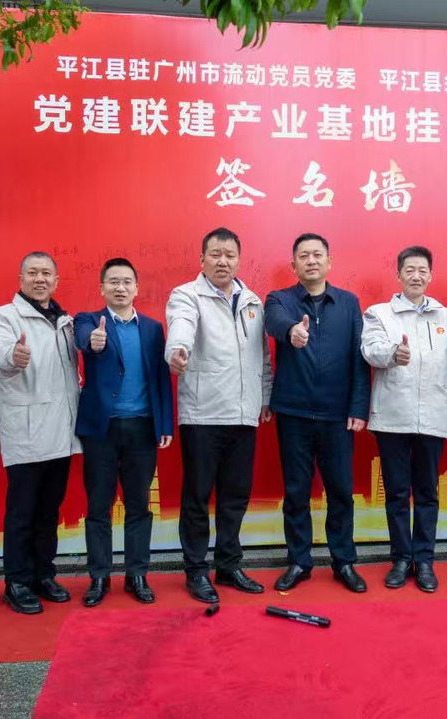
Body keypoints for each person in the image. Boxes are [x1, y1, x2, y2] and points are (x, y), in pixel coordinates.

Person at [165, 227, 272, 603]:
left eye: (229, 255)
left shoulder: (253, 301)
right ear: (202, 259)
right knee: (197, 496)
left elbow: (262, 355)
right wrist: (177, 351)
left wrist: (264, 397)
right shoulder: (186, 295)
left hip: (243, 414)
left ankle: (228, 564)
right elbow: (181, 326)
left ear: (239, 260)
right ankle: (196, 570)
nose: (222, 261)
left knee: (235, 495)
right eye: (215, 254)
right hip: (203, 414)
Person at [264, 233, 371, 594]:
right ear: (293, 265)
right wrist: (291, 331)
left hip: (337, 416)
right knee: (296, 492)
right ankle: (299, 561)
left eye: (317, 255)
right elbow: (273, 322)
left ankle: (344, 561)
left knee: (340, 491)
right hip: (293, 414)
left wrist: (358, 407)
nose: (311, 261)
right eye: (304, 256)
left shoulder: (349, 303)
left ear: (329, 262)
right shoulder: (280, 300)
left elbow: (359, 359)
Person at [0, 251, 81, 614]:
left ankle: (43, 574)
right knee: (22, 512)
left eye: (47, 274)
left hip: (62, 432)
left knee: (49, 511)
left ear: (56, 280)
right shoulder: (3, 317)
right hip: (25, 432)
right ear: (21, 279)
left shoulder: (65, 322)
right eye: (33, 273)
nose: (40, 279)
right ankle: (17, 582)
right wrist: (11, 356)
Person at [361, 246, 447, 593]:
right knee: (395, 493)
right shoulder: (379, 314)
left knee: (427, 493)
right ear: (398, 275)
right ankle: (400, 559)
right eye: (409, 270)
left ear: (430, 275)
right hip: (393, 417)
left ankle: (424, 560)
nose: (416, 276)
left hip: (434, 416)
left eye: (422, 270)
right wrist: (393, 353)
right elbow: (369, 350)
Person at [74, 258, 174, 607]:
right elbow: (83, 339)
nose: (120, 287)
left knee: (139, 506)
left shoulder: (152, 329)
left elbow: (161, 377)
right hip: (101, 430)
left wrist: (164, 423)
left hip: (142, 428)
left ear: (136, 288)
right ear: (102, 288)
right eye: (113, 281)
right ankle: (99, 577)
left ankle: (137, 574)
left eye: (127, 281)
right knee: (98, 507)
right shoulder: (88, 321)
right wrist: (94, 341)